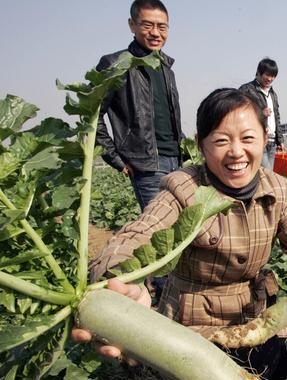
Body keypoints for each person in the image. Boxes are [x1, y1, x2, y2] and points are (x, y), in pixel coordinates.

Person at [74, 88, 287, 380]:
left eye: (247, 138)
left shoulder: (277, 188)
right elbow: (136, 237)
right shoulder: (183, 189)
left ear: (263, 139)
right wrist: (118, 281)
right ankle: (191, 378)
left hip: (254, 322)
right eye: (221, 140)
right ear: (201, 144)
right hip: (194, 331)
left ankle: (247, 369)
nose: (236, 152)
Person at [96, 0, 184, 299]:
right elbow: (93, 117)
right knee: (158, 231)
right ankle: (162, 294)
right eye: (147, 25)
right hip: (146, 162)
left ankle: (173, 287)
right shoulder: (116, 64)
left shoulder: (166, 66)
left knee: (181, 228)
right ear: (132, 25)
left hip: (175, 158)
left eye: (161, 26)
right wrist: (114, 156)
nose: (155, 32)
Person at [239, 58, 284, 170]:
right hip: (258, 139)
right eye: (267, 75)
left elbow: (276, 117)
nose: (270, 79)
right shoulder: (246, 90)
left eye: (273, 76)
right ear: (258, 73)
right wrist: (260, 113)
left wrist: (280, 140)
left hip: (272, 141)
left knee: (266, 175)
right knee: (267, 174)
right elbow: (238, 114)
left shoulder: (273, 93)